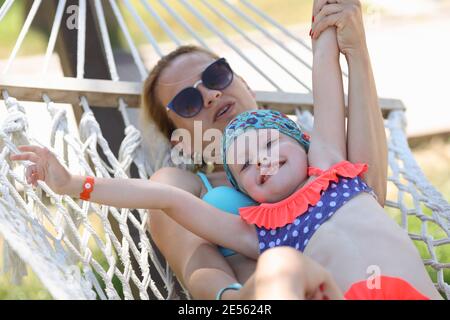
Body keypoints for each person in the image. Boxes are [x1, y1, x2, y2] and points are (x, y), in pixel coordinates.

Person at [8, 0, 441, 299]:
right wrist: (71, 183)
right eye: (189, 102)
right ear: (181, 138)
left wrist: (340, 34)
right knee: (282, 266)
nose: (211, 96)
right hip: (266, 293)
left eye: (216, 76)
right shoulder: (241, 217)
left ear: (245, 83)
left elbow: (366, 188)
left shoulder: (319, 158)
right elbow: (167, 204)